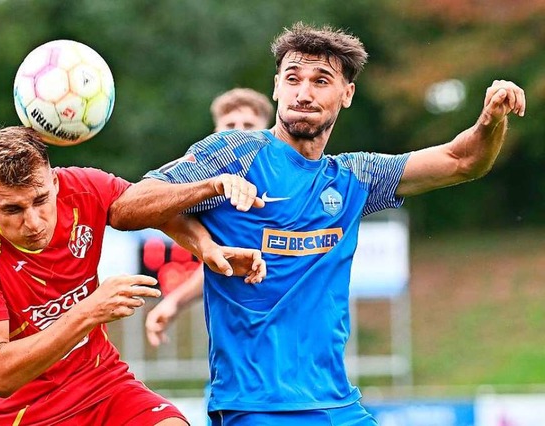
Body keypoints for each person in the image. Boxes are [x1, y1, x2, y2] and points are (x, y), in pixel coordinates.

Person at [143, 22, 526, 425]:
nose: (303, 93)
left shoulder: (354, 177)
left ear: (347, 94)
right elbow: (135, 202)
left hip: (338, 405)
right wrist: (206, 237)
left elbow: (460, 161)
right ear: (276, 87)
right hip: (258, 406)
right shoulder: (234, 154)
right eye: (293, 79)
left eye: (320, 80)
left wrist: (490, 121)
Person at [0, 126, 267, 425]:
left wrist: (204, 246)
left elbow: (144, 208)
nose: (33, 221)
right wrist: (90, 310)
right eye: (13, 209)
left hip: (101, 384)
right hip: (20, 413)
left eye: (41, 200)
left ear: (55, 181)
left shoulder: (81, 188)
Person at [146, 87, 274, 347]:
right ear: (215, 133)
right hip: (235, 340)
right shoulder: (208, 191)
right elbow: (219, 259)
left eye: (249, 124)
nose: (238, 130)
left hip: (295, 330)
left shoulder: (284, 180)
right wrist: (174, 301)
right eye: (229, 124)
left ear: (268, 131)